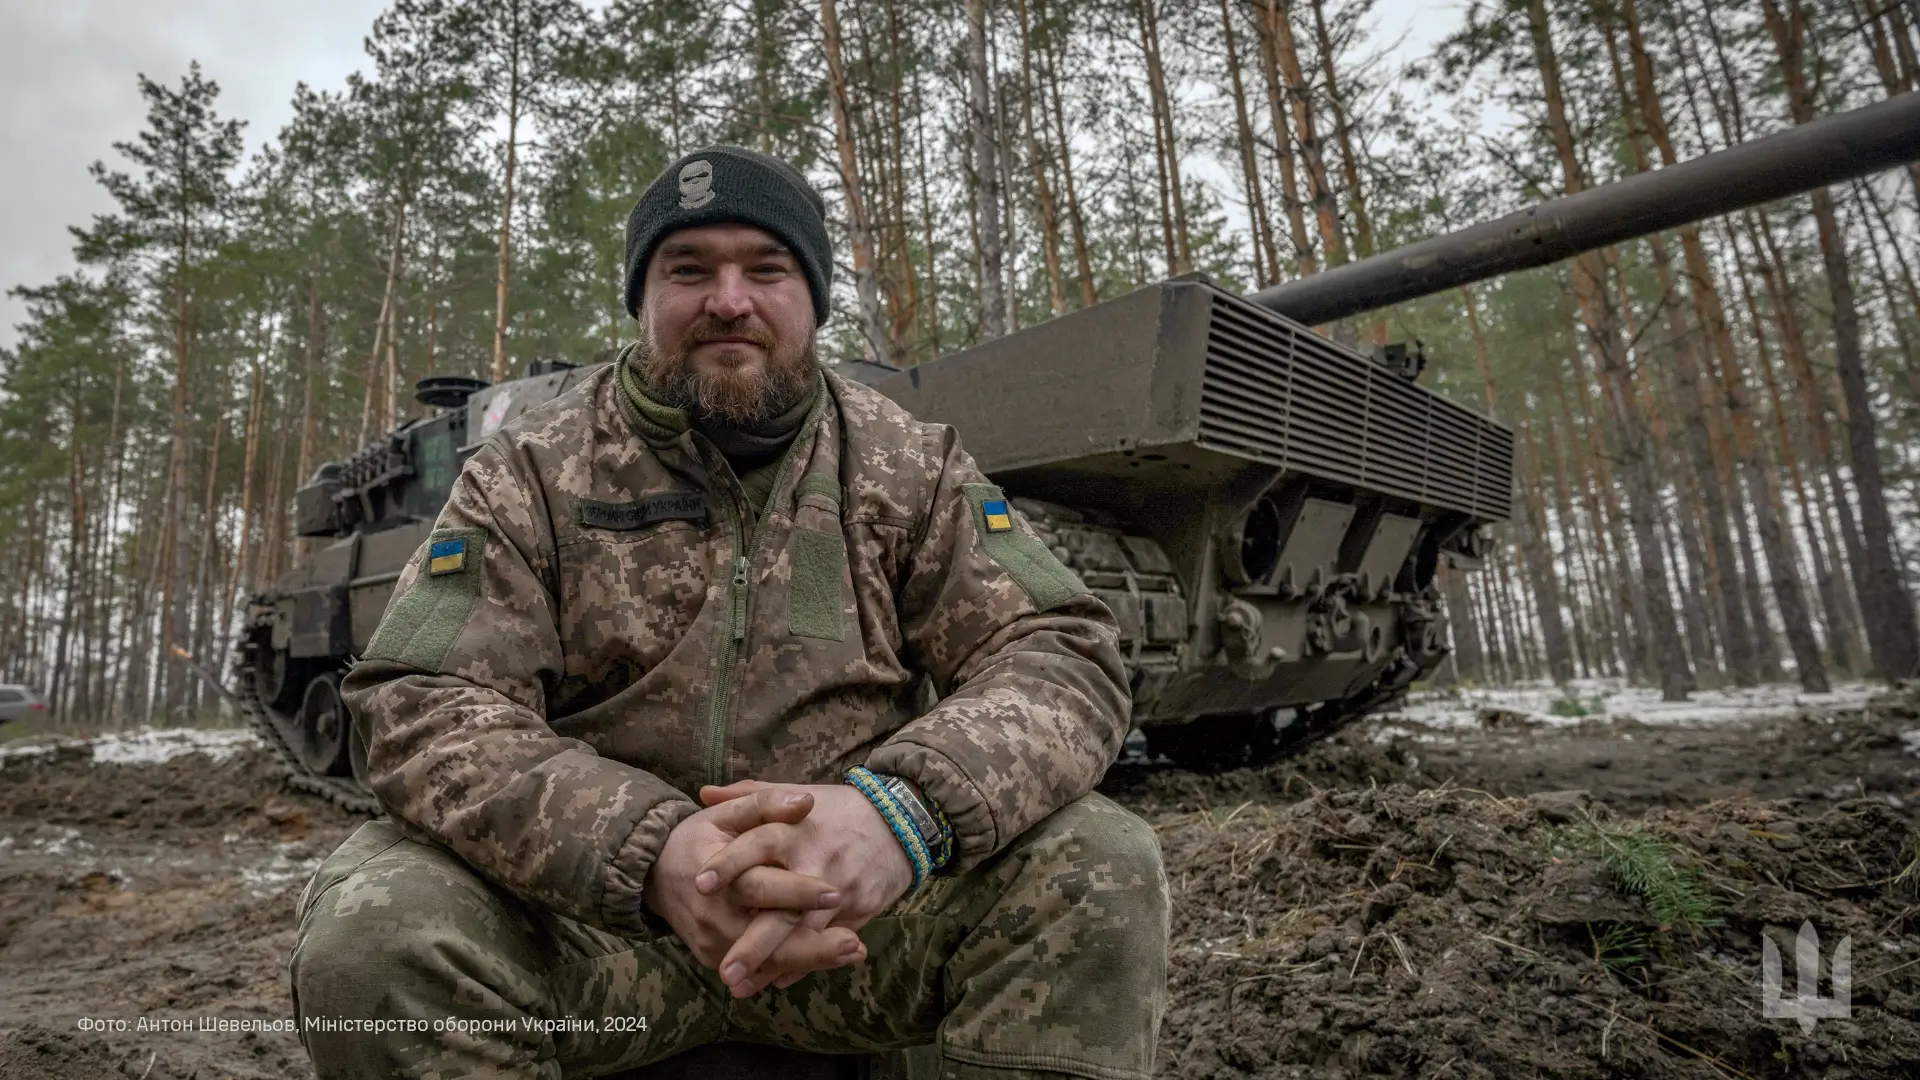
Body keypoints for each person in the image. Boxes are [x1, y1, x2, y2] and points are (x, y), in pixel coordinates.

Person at [289, 145, 1170, 1080]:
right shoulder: (529, 476)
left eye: (765, 267)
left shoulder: (906, 466)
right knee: (374, 934)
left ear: (813, 297)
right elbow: (423, 699)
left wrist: (902, 817)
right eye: (690, 269)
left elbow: (1062, 649)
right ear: (642, 298)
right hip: (599, 936)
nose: (729, 299)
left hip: (854, 927)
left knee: (1098, 869)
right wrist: (649, 848)